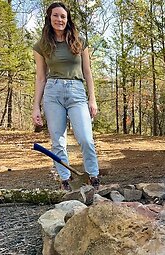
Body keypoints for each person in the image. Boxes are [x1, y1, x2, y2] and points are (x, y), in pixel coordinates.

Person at [32, 2, 100, 191]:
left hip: (76, 91)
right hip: (52, 92)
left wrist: (92, 99)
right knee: (58, 140)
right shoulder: (42, 45)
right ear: (49, 18)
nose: (59, 19)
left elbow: (88, 72)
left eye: (63, 16)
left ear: (67, 19)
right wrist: (36, 106)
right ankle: (65, 181)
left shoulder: (79, 41)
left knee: (86, 138)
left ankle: (93, 176)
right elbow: (40, 77)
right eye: (56, 15)